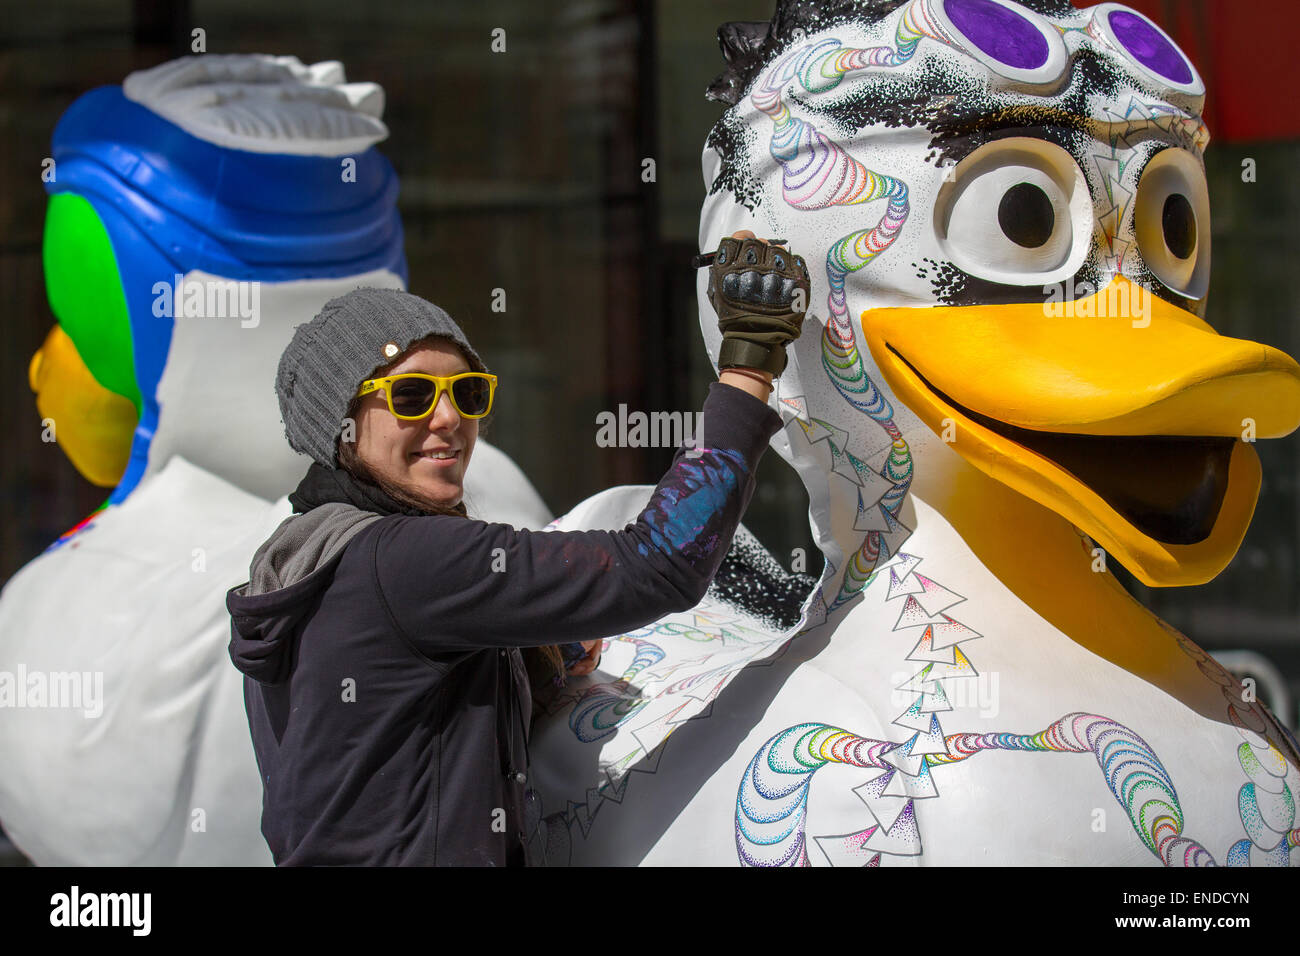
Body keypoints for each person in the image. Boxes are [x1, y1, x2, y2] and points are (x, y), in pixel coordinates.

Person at [226, 232, 810, 865]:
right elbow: (658, 564)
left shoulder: (311, 554)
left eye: (467, 393)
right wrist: (749, 367)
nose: (448, 419)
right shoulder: (404, 560)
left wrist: (524, 659)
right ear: (339, 431)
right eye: (412, 396)